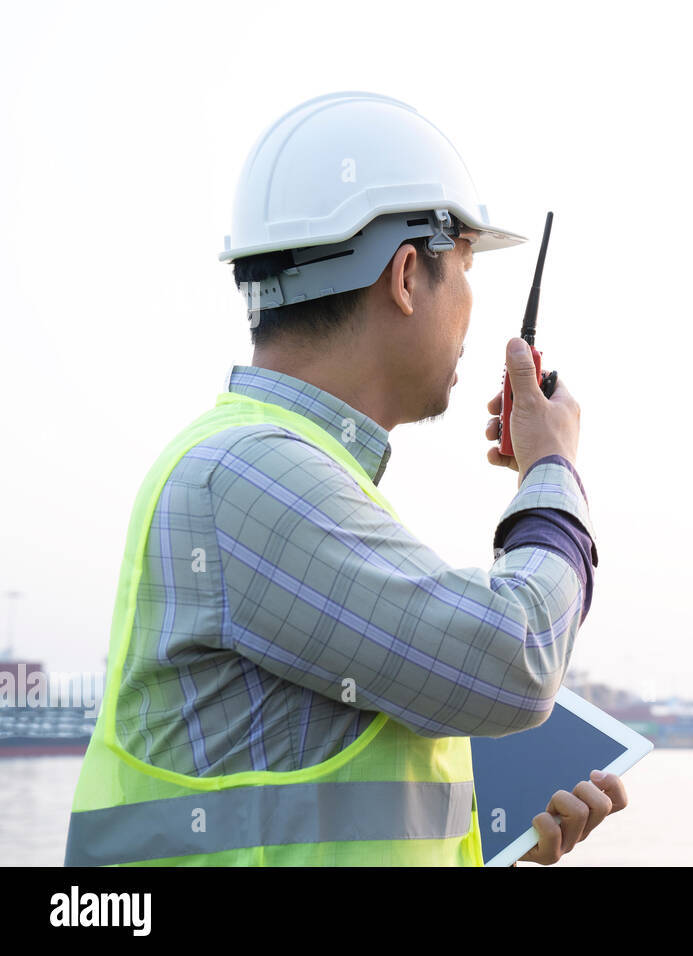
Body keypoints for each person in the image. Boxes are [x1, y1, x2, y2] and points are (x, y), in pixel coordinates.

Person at [64, 92, 621, 866]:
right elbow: (519, 657)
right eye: (464, 268)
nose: (469, 307)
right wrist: (553, 471)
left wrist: (509, 852)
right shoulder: (253, 475)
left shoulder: (288, 477)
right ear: (404, 277)